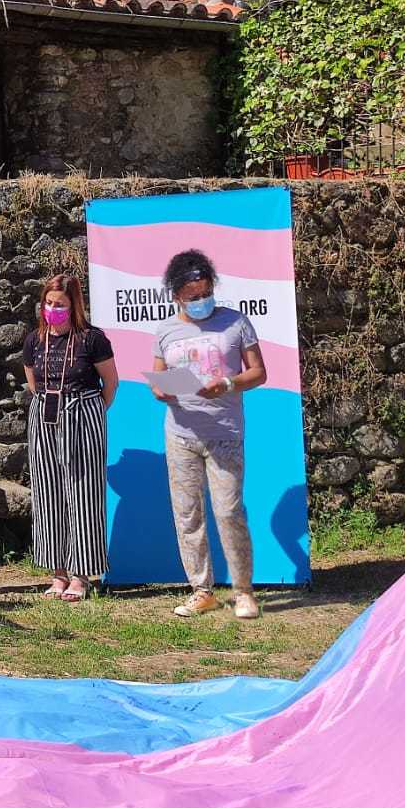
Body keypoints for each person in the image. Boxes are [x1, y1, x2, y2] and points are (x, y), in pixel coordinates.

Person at [152, 249, 268, 620]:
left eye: (205, 293)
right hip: (181, 433)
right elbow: (157, 377)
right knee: (188, 514)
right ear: (176, 297)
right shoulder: (166, 330)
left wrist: (229, 382)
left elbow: (259, 372)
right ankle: (202, 590)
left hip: (225, 434)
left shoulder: (236, 323)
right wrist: (162, 389)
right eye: (192, 297)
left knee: (229, 511)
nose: (201, 301)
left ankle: (243, 591)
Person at [21, 274, 119, 603]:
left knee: (84, 492)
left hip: (82, 411)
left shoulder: (93, 339)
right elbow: (32, 382)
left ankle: (82, 574)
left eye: (60, 304)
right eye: (48, 303)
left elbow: (110, 383)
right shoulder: (35, 339)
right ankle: (58, 572)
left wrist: (90, 412)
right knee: (49, 492)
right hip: (45, 414)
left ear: (74, 305)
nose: (53, 309)